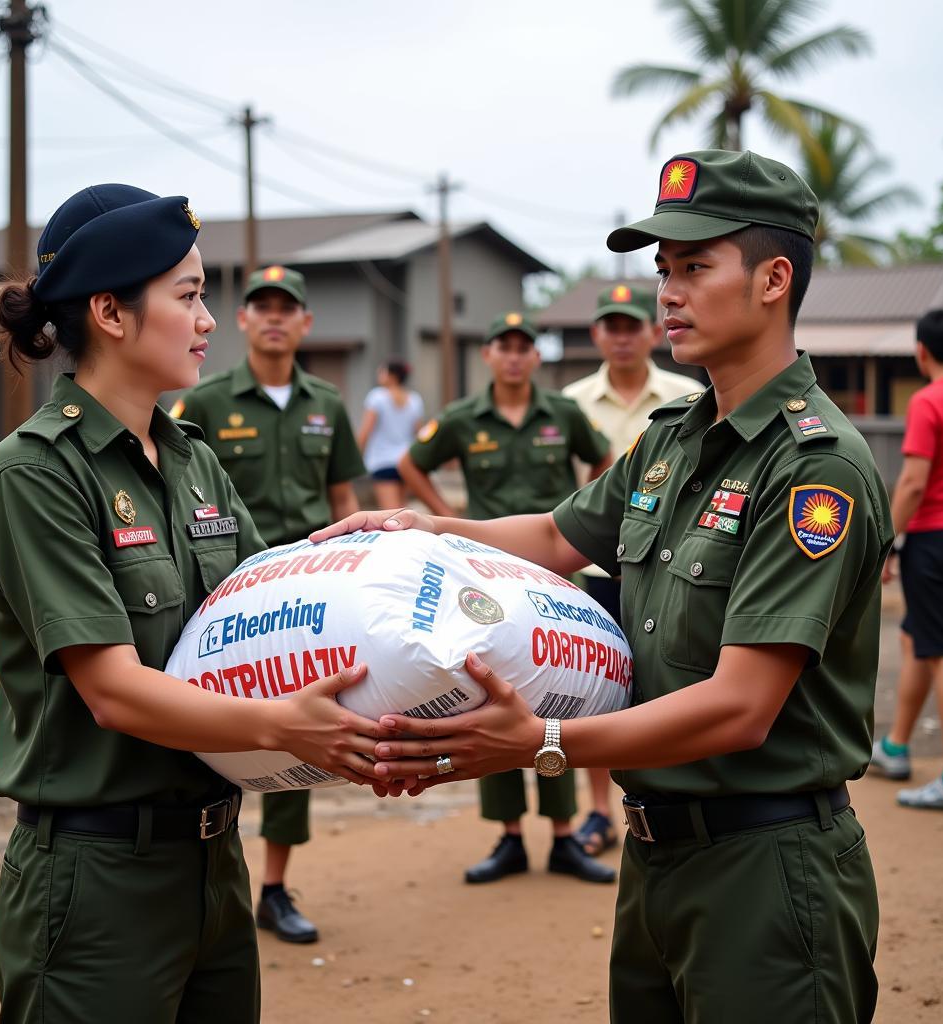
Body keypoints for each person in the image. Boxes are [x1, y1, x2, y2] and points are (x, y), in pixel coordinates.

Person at [318, 150, 892, 1023]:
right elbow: (556, 535)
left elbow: (741, 708)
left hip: (768, 867)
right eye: (664, 270)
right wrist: (429, 529)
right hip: (655, 854)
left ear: (775, 279)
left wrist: (541, 742)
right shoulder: (671, 440)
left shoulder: (817, 469)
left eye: (695, 267)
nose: (668, 291)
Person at [0, 186, 384, 1022]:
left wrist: (346, 556)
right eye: (189, 296)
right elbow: (113, 690)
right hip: (96, 882)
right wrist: (288, 727)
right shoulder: (36, 474)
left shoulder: (191, 459)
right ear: (111, 313)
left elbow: (250, 604)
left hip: (211, 863)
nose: (210, 321)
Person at [170, 264, 365, 944]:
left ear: (306, 323)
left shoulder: (327, 403)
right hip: (230, 592)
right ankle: (203, 872)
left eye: (289, 308)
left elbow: (344, 499)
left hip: (312, 590)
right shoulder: (207, 401)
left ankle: (275, 886)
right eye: (262, 306)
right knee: (216, 729)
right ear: (245, 320)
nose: (275, 317)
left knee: (300, 727)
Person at [398, 311, 616, 885]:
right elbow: (410, 464)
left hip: (554, 575)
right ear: (489, 355)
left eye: (524, 347)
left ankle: (565, 833)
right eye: (504, 347)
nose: (515, 356)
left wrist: (579, 508)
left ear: (535, 357)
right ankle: (510, 835)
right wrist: (450, 520)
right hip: (485, 569)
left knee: (557, 696)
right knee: (488, 689)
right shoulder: (464, 418)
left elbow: (603, 462)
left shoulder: (562, 413)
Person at [562, 282, 696, 856]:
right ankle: (598, 809)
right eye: (610, 327)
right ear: (597, 335)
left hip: (669, 573)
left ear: (650, 332)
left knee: (666, 686)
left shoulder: (689, 396)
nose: (621, 337)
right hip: (594, 571)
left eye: (631, 326)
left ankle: (661, 797)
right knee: (596, 692)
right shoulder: (570, 402)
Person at [871, 308, 943, 812]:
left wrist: (885, 541)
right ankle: (896, 747)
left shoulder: (929, 401)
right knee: (917, 637)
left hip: (934, 541)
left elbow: (912, 481)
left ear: (921, 351)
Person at [357, 360, 424, 510]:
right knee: (402, 510)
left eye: (382, 372)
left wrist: (356, 458)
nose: (379, 375)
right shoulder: (415, 399)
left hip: (382, 461)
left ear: (391, 376)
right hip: (406, 462)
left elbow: (365, 432)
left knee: (390, 513)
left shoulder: (377, 397)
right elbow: (420, 434)